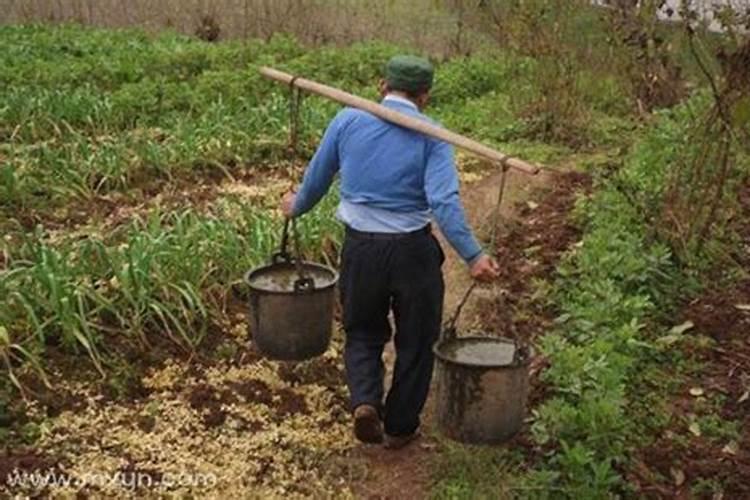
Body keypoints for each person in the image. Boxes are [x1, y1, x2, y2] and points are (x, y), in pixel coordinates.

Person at [280, 55, 499, 449]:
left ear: (383, 85)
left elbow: (317, 178)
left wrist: (295, 206)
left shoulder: (348, 121)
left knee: (362, 331)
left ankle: (365, 402)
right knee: (416, 339)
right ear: (425, 95)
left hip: (361, 249)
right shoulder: (433, 136)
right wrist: (473, 255)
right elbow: (444, 202)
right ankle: (399, 426)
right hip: (412, 253)